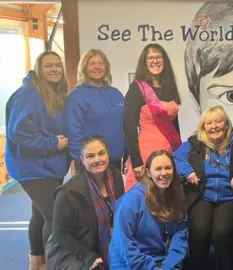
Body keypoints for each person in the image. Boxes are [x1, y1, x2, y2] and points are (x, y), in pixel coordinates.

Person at [5, 51, 69, 270]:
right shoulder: (29, 94)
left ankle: (37, 261)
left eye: (57, 66)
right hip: (32, 169)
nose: (54, 70)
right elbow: (18, 132)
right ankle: (52, 263)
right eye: (48, 66)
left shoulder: (50, 92)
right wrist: (52, 144)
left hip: (48, 167)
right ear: (38, 69)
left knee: (39, 214)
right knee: (53, 216)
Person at [173, 106, 233, 270]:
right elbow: (176, 158)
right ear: (203, 127)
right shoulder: (194, 143)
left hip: (229, 196)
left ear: (226, 124)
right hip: (203, 195)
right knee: (199, 231)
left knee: (221, 234)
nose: (214, 126)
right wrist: (189, 172)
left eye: (218, 121)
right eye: (209, 123)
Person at [45, 135, 125, 270]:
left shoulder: (116, 177)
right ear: (82, 160)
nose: (97, 160)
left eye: (101, 153)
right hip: (73, 250)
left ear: (108, 154)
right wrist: (87, 256)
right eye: (90, 156)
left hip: (106, 243)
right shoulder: (67, 192)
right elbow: (60, 234)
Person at [109, 150, 188, 270]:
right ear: (148, 172)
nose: (164, 173)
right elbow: (125, 245)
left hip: (162, 262)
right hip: (129, 264)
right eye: (158, 169)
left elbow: (180, 236)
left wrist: (168, 266)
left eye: (168, 168)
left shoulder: (177, 197)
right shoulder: (132, 200)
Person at [124, 43, 182, 191]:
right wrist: (136, 161)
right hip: (146, 151)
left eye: (158, 57)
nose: (155, 61)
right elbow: (129, 126)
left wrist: (179, 153)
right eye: (150, 57)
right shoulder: (136, 89)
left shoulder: (169, 87)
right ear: (144, 62)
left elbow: (174, 124)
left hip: (169, 149)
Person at [66, 49, 126, 172]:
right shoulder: (77, 96)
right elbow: (73, 133)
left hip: (114, 160)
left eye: (100, 63)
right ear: (84, 68)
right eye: (92, 63)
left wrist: (128, 155)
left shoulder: (116, 94)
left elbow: (124, 126)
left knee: (115, 192)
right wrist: (81, 161)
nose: (97, 67)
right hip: (91, 163)